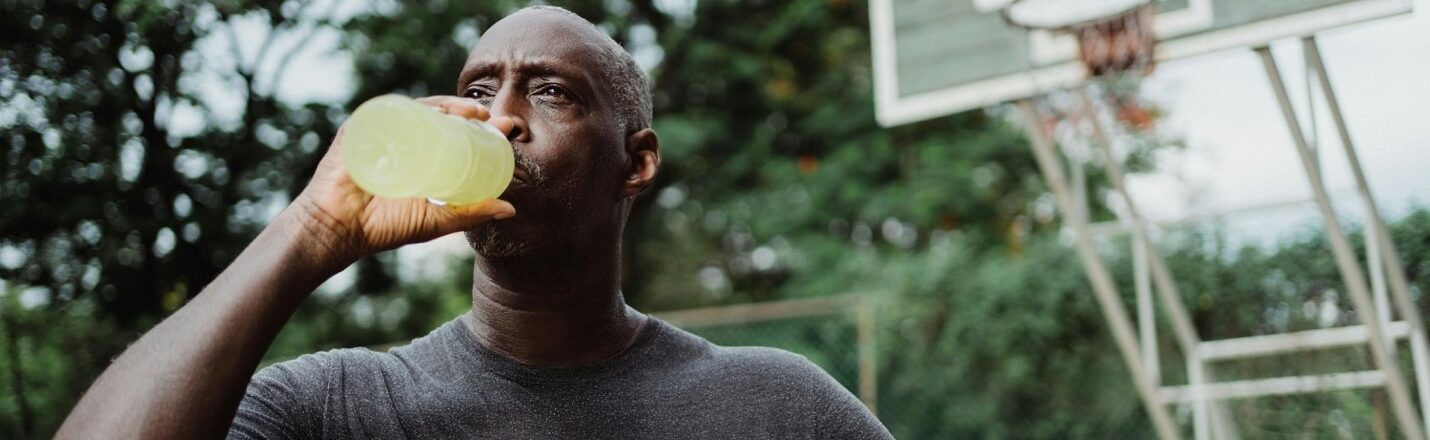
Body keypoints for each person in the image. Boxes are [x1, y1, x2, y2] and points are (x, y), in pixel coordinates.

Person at [57, 6, 893, 439]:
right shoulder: (340, 407)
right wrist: (312, 228)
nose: (501, 120)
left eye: (553, 91)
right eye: (480, 90)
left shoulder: (774, 407)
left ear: (636, 162)